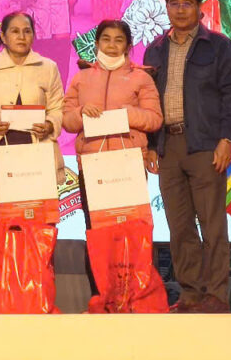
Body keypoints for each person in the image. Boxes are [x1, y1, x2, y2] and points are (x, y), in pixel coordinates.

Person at [143, 0, 231, 313]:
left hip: (204, 144)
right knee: (180, 224)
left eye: (187, 3)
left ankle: (216, 294)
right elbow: (147, 99)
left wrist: (226, 139)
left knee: (211, 222)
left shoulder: (218, 46)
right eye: (174, 4)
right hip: (167, 146)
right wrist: (150, 145)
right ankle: (191, 294)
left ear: (199, 9)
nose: (180, 10)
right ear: (167, 8)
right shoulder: (155, 50)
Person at [62, 20, 162, 296]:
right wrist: (81, 111)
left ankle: (134, 296)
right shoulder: (81, 78)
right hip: (92, 167)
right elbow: (66, 121)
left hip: (128, 166)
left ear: (128, 46)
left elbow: (155, 119)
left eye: (119, 40)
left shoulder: (142, 78)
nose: (111, 45)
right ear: (96, 44)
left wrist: (128, 114)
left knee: (132, 232)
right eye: (106, 39)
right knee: (97, 234)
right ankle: (101, 297)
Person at [0, 11, 64, 226]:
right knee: (1, 226)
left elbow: (58, 109)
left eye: (27, 31)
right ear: (3, 36)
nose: (21, 37)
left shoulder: (48, 67)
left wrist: (50, 124)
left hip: (37, 153)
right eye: (15, 31)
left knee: (38, 226)